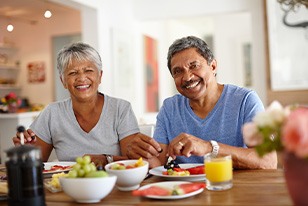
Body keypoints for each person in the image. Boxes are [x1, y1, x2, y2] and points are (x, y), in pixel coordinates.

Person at [126, 36, 277, 169]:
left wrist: (210, 148)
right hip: (185, 193)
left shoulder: (246, 100)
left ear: (213, 66)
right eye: (178, 71)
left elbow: (268, 161)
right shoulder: (170, 108)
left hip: (234, 189)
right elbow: (157, 164)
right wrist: (141, 155)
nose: (187, 77)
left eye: (194, 66)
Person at [12, 42, 141, 167]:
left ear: (100, 76)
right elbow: (34, 163)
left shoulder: (121, 109)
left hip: (112, 185)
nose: (81, 78)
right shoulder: (52, 112)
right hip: (67, 186)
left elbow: (135, 162)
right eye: (73, 73)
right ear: (63, 81)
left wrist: (106, 159)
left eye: (88, 70)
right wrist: (25, 149)